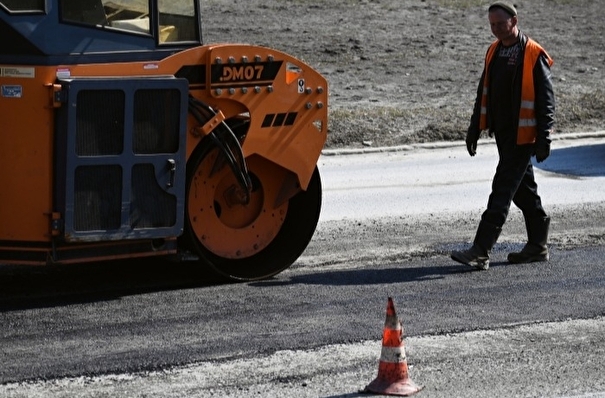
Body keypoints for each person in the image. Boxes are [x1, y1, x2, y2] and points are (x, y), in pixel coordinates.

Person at [450, 1, 555, 270]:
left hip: (524, 137)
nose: (495, 29)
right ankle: (537, 246)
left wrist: (544, 138)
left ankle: (480, 250)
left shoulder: (533, 53)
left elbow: (546, 100)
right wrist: (475, 127)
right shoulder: (494, 51)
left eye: (500, 23)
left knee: (502, 191)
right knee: (524, 192)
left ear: (514, 21)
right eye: (491, 24)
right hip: (504, 135)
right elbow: (483, 91)